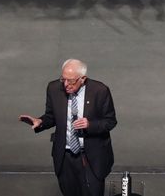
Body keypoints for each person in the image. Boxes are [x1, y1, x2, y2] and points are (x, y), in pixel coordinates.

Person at [19, 59, 117, 196]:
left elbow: (110, 121)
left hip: (91, 157)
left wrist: (90, 125)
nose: (66, 84)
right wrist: (40, 121)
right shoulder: (53, 88)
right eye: (63, 79)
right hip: (65, 157)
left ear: (83, 79)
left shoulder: (100, 91)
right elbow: (52, 116)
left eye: (71, 81)